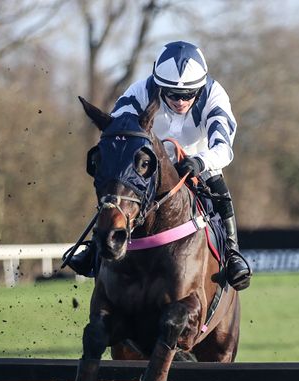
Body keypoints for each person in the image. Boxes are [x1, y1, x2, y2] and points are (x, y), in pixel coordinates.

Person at [68, 40, 252, 290]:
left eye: (188, 94)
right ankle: (94, 249)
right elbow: (118, 133)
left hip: (198, 164)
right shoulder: (140, 91)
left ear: (200, 86)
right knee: (118, 191)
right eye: (173, 95)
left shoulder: (214, 94)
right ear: (159, 86)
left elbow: (223, 147)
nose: (181, 101)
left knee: (220, 191)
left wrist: (199, 162)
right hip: (150, 169)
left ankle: (232, 254)